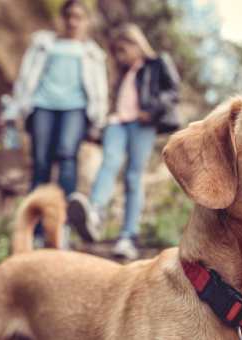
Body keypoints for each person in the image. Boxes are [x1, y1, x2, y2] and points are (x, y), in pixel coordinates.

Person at [0, 0, 108, 247]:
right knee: (40, 165)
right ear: (63, 17)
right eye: (69, 15)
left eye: (79, 16)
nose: (73, 21)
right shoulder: (43, 44)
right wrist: (13, 110)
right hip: (42, 106)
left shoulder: (93, 53)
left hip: (76, 109)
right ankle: (35, 233)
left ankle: (62, 228)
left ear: (86, 22)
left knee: (67, 157)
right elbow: (25, 80)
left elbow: (100, 90)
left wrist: (97, 123)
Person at [67, 23, 181, 260]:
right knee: (108, 162)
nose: (119, 57)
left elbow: (173, 90)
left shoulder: (157, 62)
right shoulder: (123, 76)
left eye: (122, 50)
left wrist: (152, 110)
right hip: (117, 123)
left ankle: (128, 235)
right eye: (116, 52)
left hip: (142, 124)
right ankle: (95, 215)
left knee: (132, 176)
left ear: (135, 43)